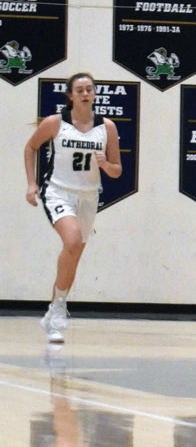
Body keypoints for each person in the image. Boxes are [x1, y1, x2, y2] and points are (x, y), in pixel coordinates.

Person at [24, 73, 122, 343]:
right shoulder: (57, 123)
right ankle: (58, 310)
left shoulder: (107, 127)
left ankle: (55, 306)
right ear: (70, 95)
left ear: (94, 94)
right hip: (58, 192)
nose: (85, 93)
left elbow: (117, 171)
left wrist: (105, 165)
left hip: (89, 196)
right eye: (79, 89)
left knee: (75, 251)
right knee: (73, 239)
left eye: (89, 89)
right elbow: (31, 147)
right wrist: (32, 184)